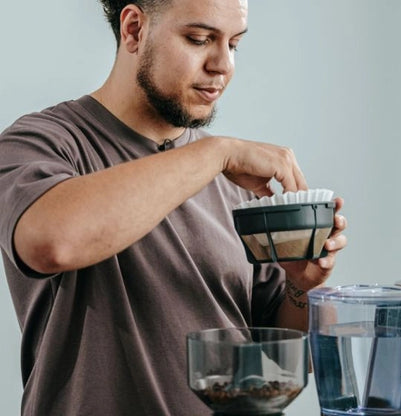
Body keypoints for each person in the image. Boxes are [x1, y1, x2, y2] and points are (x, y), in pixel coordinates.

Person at [0, 0, 347, 415]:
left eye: (234, 44)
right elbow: (52, 242)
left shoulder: (238, 183)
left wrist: (301, 286)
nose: (223, 65)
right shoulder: (43, 143)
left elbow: (277, 367)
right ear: (133, 30)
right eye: (200, 39)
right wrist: (216, 154)